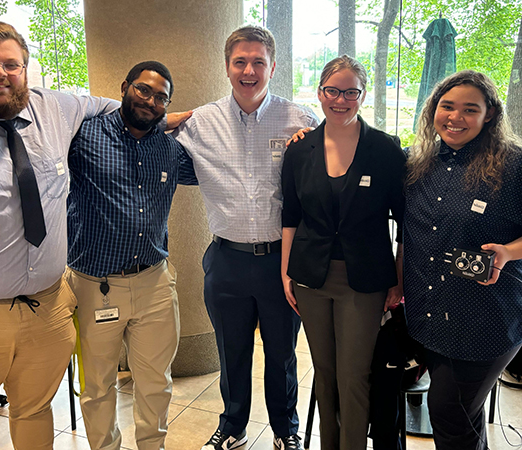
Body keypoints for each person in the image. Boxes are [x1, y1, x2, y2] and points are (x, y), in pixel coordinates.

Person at [0, 20, 120, 449]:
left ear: (25, 68)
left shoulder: (55, 109)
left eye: (11, 64)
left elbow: (116, 110)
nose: (0, 73)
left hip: (47, 308)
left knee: (34, 411)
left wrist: (173, 120)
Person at [174, 26, 319, 450]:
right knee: (231, 351)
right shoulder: (200, 122)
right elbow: (146, 137)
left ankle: (285, 430)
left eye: (258, 62)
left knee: (282, 353)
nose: (249, 71)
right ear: (227, 67)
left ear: (272, 67)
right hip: (226, 259)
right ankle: (233, 426)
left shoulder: (301, 120)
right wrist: (166, 117)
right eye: (240, 62)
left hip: (282, 261)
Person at [65, 61, 197, 450]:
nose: (150, 101)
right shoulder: (83, 137)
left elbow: (218, 168)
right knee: (96, 386)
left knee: (156, 382)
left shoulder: (169, 150)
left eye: (161, 98)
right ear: (125, 87)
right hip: (94, 286)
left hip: (154, 283)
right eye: (143, 90)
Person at [281, 55, 406, 450]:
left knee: (354, 376)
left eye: (351, 92)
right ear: (320, 93)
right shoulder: (300, 149)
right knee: (325, 372)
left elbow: (405, 223)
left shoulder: (386, 150)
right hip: (310, 277)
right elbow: (290, 216)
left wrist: (399, 279)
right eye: (333, 91)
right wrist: (285, 272)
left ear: (363, 95)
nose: (341, 100)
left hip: (364, 281)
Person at [403, 70, 522, 450]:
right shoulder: (418, 162)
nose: (456, 117)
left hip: (484, 322)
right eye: (447, 106)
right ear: (433, 109)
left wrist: (509, 252)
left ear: (490, 114)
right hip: (427, 316)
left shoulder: (513, 166)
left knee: (450, 413)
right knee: (463, 419)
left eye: (470, 109)